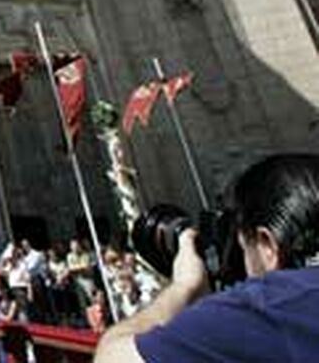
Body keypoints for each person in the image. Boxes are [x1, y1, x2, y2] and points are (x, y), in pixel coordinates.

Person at [95, 153, 319, 363]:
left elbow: (113, 358)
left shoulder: (272, 304)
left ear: (267, 245)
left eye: (243, 249)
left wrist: (184, 287)